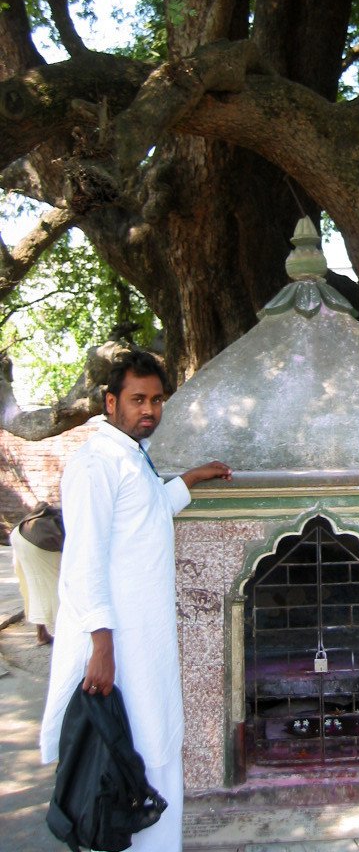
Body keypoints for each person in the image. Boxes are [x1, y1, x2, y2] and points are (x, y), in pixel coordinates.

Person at [40, 350, 232, 852]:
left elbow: (146, 515)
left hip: (145, 642)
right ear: (110, 401)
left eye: (157, 400)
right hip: (116, 643)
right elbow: (84, 560)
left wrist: (189, 479)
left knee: (154, 748)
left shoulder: (131, 455)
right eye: (137, 399)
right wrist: (101, 645)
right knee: (124, 758)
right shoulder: (95, 463)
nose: (149, 409)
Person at [9, 501, 65, 644]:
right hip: (38, 542)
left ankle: (42, 634)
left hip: (19, 534)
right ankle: (64, 635)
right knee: (58, 587)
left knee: (34, 587)